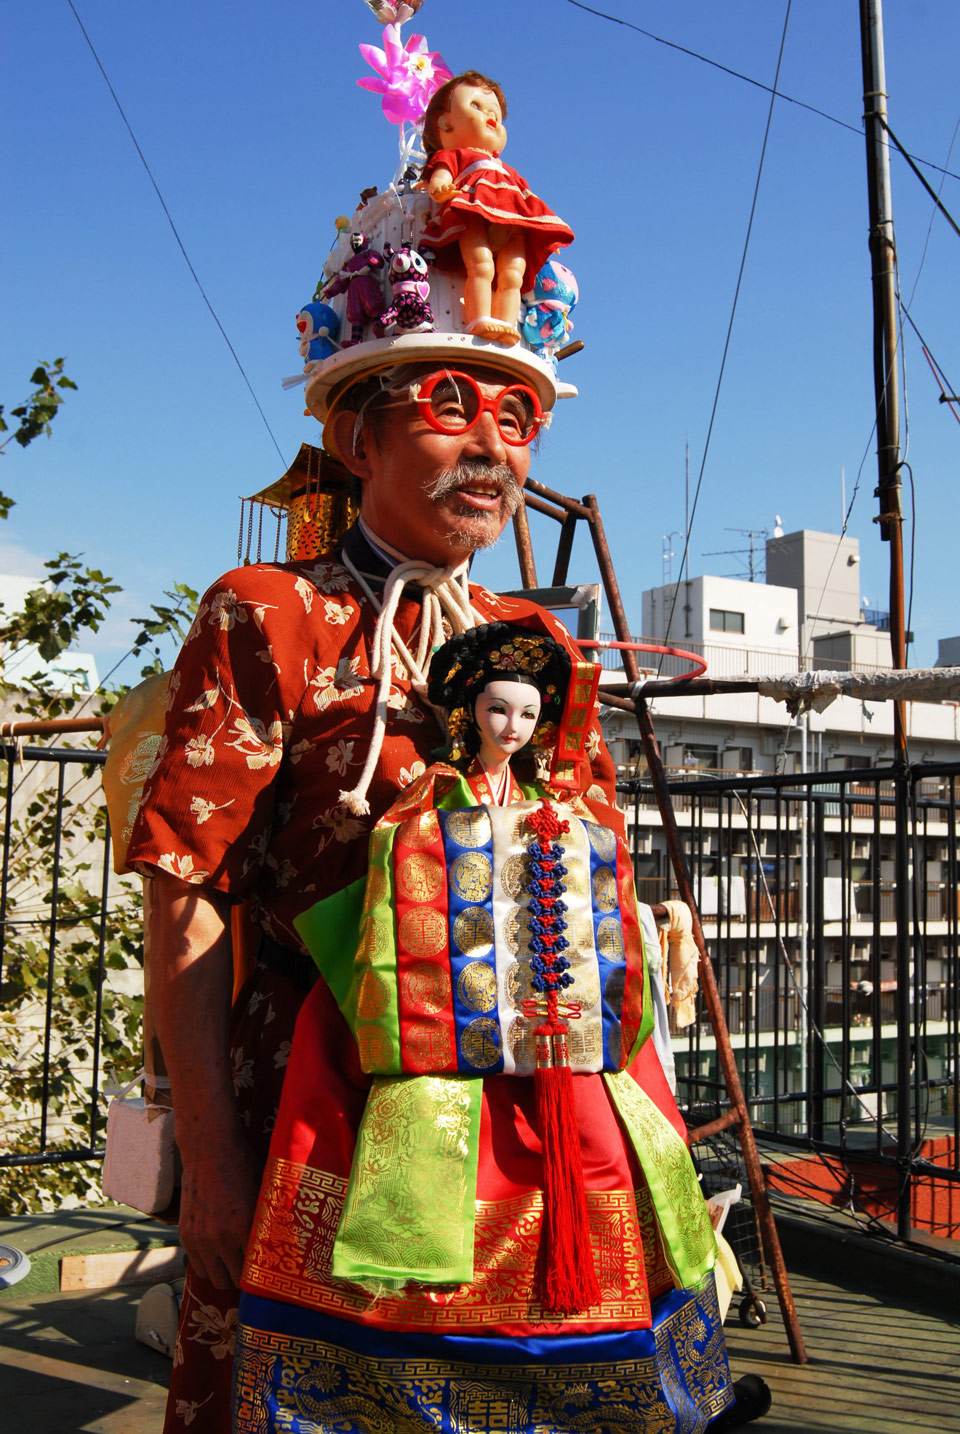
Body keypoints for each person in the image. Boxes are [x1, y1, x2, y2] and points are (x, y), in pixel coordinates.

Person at [125, 357, 624, 1434]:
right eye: (452, 410)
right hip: (312, 1090)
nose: (495, 444)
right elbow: (187, 889)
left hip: (513, 1107)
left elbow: (591, 889)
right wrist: (209, 1157)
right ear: (360, 444)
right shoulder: (272, 614)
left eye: (519, 417)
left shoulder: (543, 654)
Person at [420, 71, 574, 343]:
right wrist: (440, 187)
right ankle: (480, 318)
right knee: (480, 264)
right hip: (474, 215)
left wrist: (542, 234)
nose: (490, 116)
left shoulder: (508, 171)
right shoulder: (455, 155)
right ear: (445, 122)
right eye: (476, 106)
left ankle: (506, 323)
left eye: (496, 114)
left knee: (513, 273)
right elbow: (441, 174)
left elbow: (527, 201)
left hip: (512, 224)